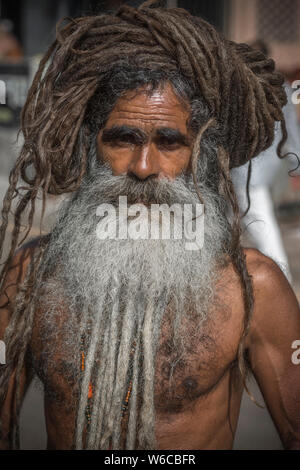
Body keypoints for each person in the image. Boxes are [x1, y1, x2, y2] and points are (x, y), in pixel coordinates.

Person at [0, 0, 300, 450]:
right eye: (123, 138)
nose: (143, 167)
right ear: (90, 146)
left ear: (203, 156)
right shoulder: (31, 275)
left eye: (170, 142)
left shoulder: (254, 287)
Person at [231, 40, 300, 283]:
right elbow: (292, 128)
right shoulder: (282, 85)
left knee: (260, 223)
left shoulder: (240, 85)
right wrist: (296, 163)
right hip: (265, 166)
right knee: (234, 219)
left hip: (247, 169)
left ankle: (281, 278)